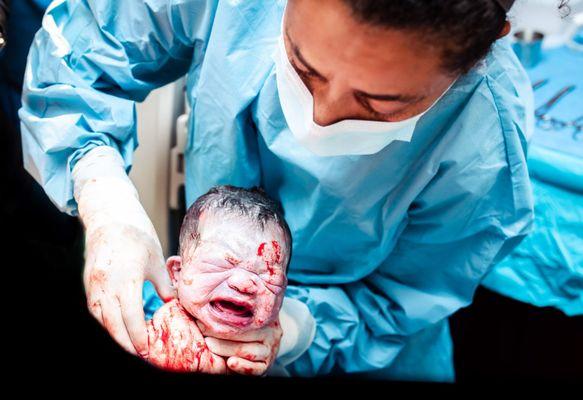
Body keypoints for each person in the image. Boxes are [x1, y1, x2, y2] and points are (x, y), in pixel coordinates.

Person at [20, 0, 537, 381]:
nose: (320, 117)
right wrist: (106, 201)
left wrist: (296, 328)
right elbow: (83, 57)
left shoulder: (483, 143)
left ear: (472, 60)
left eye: (378, 104)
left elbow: (408, 296)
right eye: (301, 65)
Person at [144, 185, 293, 374]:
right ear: (177, 272)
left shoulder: (269, 360)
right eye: (222, 264)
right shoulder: (142, 317)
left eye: (267, 275)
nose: (244, 284)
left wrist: (293, 334)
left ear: (282, 295)